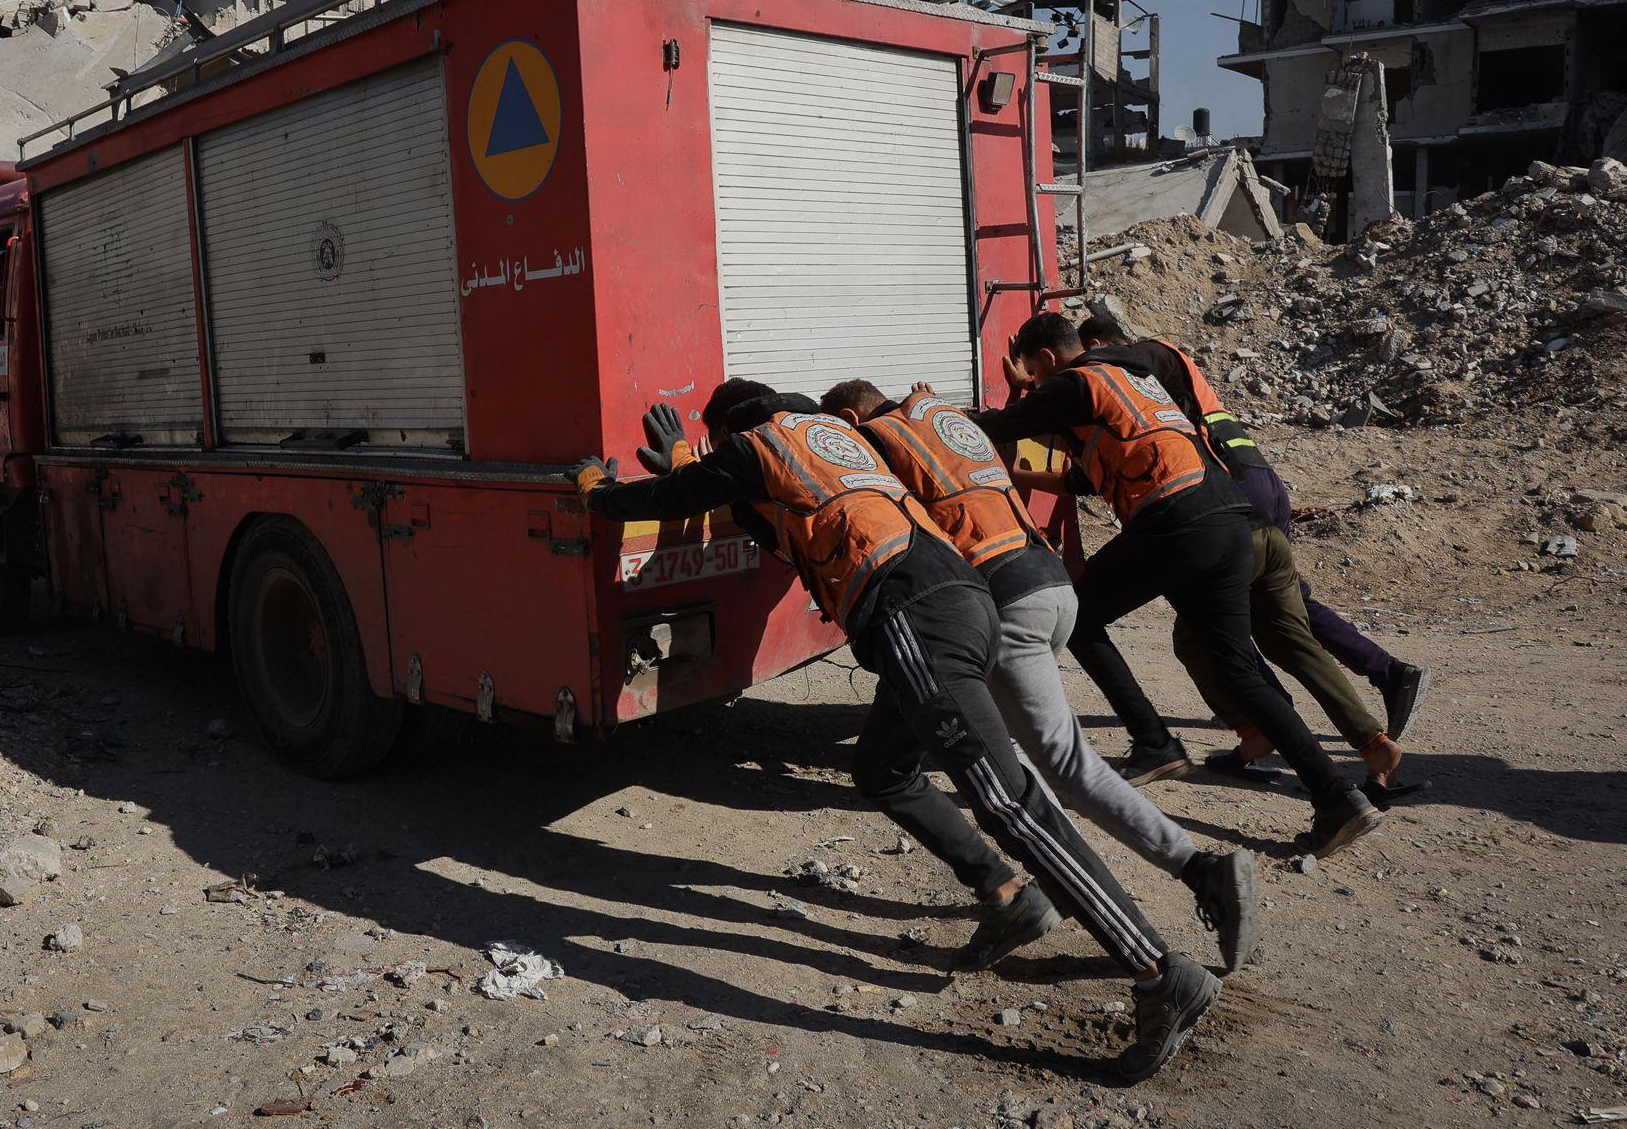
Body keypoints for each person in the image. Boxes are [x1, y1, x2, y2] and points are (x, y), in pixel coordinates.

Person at [574, 382, 1221, 1082]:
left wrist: (598, 494)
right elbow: (757, 515)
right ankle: (1006, 895)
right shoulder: (834, 442)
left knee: (1009, 804)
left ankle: (1160, 973)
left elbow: (674, 500)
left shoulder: (755, 446)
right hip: (962, 598)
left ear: (734, 429)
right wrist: (692, 468)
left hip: (911, 616)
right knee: (883, 768)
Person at [818, 377, 1257, 970]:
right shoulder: (938, 415)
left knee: (1062, 764)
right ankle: (1016, 886)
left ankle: (1197, 869)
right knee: (989, 748)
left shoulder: (874, 440)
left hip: (995, 598)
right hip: (1047, 579)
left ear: (848, 416)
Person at [969, 313, 1383, 858]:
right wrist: (1031, 395)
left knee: (1079, 616)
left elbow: (991, 428)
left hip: (1176, 522)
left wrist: (910, 415)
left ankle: (1154, 741)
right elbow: (1078, 449)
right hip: (1230, 518)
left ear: (1047, 359)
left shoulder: (1076, 382)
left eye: (1033, 374)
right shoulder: (1133, 378)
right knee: (1237, 665)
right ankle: (1338, 797)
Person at [1070, 319, 1427, 808]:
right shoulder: (1165, 386)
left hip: (1221, 503)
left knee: (1211, 636)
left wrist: (1066, 379)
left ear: (1094, 347)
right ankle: (1371, 734)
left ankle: (1263, 732)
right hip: (1259, 485)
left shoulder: (1136, 367)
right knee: (1287, 627)